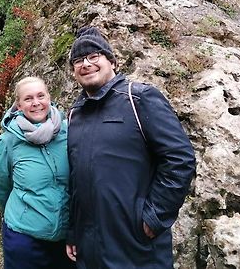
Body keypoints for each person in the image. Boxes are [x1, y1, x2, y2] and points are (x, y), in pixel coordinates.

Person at [65, 26, 196, 269]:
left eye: (94, 56)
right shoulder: (75, 113)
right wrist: (73, 230)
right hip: (89, 246)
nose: (86, 64)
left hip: (136, 246)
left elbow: (180, 159)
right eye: (78, 60)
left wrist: (154, 218)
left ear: (112, 61)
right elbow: (76, 178)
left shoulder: (139, 99)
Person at [0, 76, 75, 269]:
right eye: (28, 99)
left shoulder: (67, 132)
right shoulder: (9, 141)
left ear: (49, 98)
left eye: (40, 96)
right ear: (19, 106)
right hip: (24, 238)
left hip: (66, 237)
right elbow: (0, 184)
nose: (36, 103)